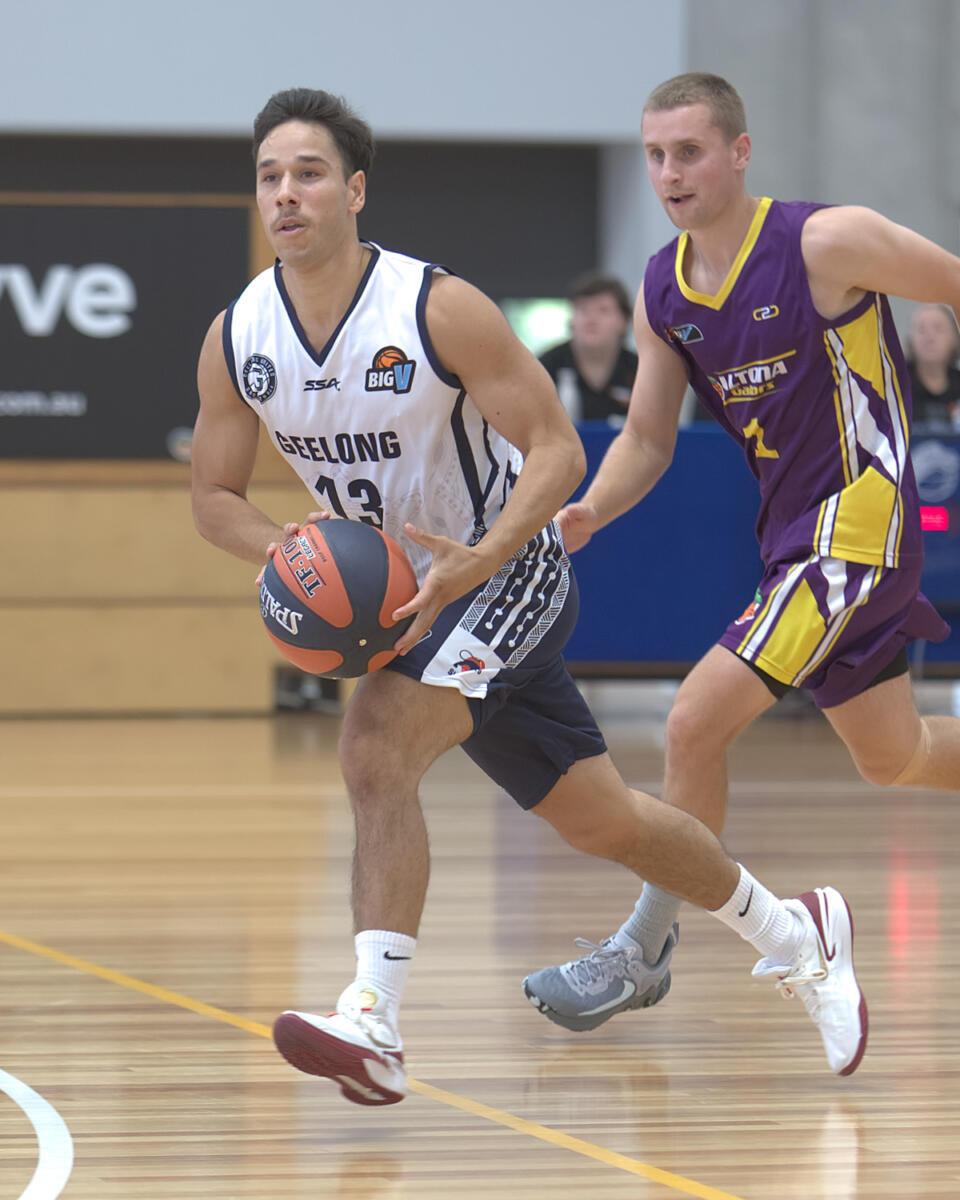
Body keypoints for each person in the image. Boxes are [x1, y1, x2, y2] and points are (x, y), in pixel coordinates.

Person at [191, 86, 868, 1107]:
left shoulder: (435, 307)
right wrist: (287, 546)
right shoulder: (237, 335)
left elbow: (556, 450)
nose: (287, 193)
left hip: (510, 568)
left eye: (310, 172)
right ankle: (796, 932)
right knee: (605, 822)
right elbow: (213, 498)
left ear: (356, 189)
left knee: (375, 744)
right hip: (409, 602)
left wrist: (479, 555)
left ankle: (372, 1018)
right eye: (270, 177)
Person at [522, 72, 960, 1041]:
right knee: (900, 755)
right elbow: (646, 438)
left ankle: (644, 948)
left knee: (691, 725)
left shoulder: (822, 242)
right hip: (792, 540)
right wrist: (592, 508)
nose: (668, 173)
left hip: (864, 523)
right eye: (654, 155)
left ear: (739, 152)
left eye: (688, 152)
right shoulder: (663, 289)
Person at [538, 272, 637, 423]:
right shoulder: (545, 367)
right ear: (571, 319)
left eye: (603, 310)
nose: (591, 319)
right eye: (582, 309)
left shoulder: (639, 369)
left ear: (624, 321)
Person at [905, 303, 960, 426]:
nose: (930, 338)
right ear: (910, 339)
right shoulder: (894, 384)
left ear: (954, 337)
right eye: (921, 330)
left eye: (939, 329)